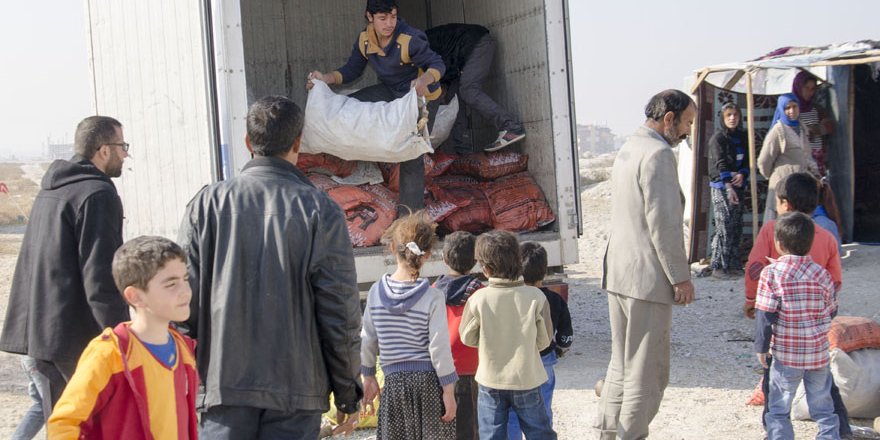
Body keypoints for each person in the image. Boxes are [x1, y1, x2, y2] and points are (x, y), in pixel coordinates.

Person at [179, 96, 363, 438]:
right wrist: (347, 392)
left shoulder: (206, 205)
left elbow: (181, 304)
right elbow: (340, 311)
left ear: (249, 143)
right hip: (296, 394)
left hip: (222, 389)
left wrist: (183, 382)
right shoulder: (320, 210)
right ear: (298, 143)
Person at [0, 116, 131, 439]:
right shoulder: (96, 194)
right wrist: (120, 335)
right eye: (122, 146)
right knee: (77, 420)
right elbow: (101, 276)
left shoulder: (53, 188)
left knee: (49, 410)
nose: (125, 155)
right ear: (102, 151)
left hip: (37, 331)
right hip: (67, 339)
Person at [596, 89, 696, 440]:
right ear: (669, 119)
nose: (687, 132)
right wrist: (681, 278)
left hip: (620, 273)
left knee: (621, 367)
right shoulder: (657, 154)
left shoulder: (630, 147)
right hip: (646, 278)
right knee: (646, 372)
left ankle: (608, 434)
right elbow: (664, 224)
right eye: (686, 123)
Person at [47, 236, 198, 439]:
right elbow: (65, 423)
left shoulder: (183, 349)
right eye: (171, 284)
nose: (185, 291)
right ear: (135, 296)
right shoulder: (110, 354)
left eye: (185, 279)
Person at [307, 0, 445, 214]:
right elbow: (352, 70)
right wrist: (324, 78)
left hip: (420, 98)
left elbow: (437, 64)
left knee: (411, 154)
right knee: (351, 108)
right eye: (383, 18)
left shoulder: (410, 38)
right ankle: (363, 167)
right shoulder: (365, 40)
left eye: (393, 16)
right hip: (390, 91)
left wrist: (424, 80)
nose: (389, 23)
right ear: (369, 17)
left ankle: (410, 217)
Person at [742, 172, 851, 438]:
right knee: (824, 392)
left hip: (785, 342)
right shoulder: (825, 236)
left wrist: (751, 300)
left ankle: (775, 432)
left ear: (785, 204)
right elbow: (835, 280)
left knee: (775, 390)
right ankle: (841, 431)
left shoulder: (772, 230)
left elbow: (755, 268)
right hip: (815, 342)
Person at [360, 210, 458, 439]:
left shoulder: (375, 292)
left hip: (393, 385)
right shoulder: (433, 297)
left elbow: (368, 339)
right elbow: (439, 349)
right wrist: (449, 390)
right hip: (428, 386)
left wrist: (368, 376)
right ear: (427, 255)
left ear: (393, 248)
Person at [460, 230, 556, 440]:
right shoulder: (536, 297)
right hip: (527, 378)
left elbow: (467, 337)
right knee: (539, 432)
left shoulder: (479, 299)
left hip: (490, 380)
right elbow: (544, 340)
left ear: (485, 268)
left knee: (491, 435)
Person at [754, 212, 839, 440]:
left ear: (778, 244)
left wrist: (761, 348)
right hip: (818, 356)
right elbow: (832, 310)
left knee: (779, 409)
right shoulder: (822, 274)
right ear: (811, 243)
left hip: (786, 357)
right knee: (823, 407)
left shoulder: (771, 274)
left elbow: (765, 315)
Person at [425, 23, 526, 153]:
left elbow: (433, 80)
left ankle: (511, 127)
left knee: (468, 90)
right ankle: (463, 153)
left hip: (477, 44)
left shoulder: (415, 47)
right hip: (461, 58)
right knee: (453, 98)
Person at [508, 241, 573, 440]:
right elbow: (565, 336)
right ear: (544, 271)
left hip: (514, 364)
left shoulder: (510, 298)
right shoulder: (554, 300)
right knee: (542, 413)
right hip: (543, 363)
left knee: (511, 415)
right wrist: (561, 348)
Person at [433, 231, 484, 440]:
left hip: (437, 372)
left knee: (440, 429)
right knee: (469, 430)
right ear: (475, 261)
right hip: (470, 370)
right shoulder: (479, 293)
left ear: (444, 259)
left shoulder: (432, 291)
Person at [707, 102, 749, 279]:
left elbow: (747, 160)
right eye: (728, 115)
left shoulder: (743, 137)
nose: (732, 118)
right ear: (723, 119)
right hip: (722, 186)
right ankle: (718, 266)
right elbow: (720, 163)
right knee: (724, 225)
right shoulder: (718, 138)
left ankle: (733, 264)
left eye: (735, 115)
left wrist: (742, 174)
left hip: (738, 184)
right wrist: (729, 185)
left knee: (736, 225)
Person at [757, 93, 814, 223]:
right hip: (783, 186)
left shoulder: (802, 127)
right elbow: (763, 161)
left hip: (799, 186)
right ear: (782, 109)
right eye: (787, 108)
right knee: (781, 222)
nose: (792, 111)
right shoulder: (778, 131)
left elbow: (807, 155)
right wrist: (775, 176)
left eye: (794, 106)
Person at [792, 71, 835, 177]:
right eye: (806, 88)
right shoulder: (791, 109)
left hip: (817, 159)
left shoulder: (816, 108)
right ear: (799, 87)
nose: (809, 92)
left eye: (812, 89)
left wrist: (816, 130)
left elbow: (829, 127)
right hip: (799, 160)